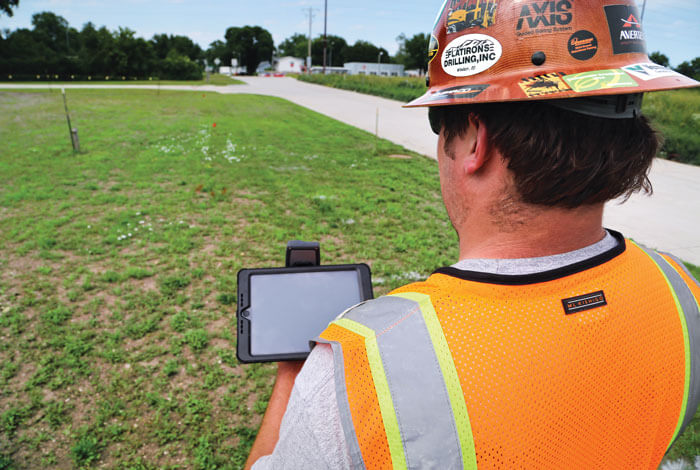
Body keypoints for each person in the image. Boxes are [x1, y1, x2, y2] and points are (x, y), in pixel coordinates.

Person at [245, 0, 700, 468]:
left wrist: (295, 376)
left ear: (475, 142)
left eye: (440, 124)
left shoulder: (358, 372)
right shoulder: (680, 290)